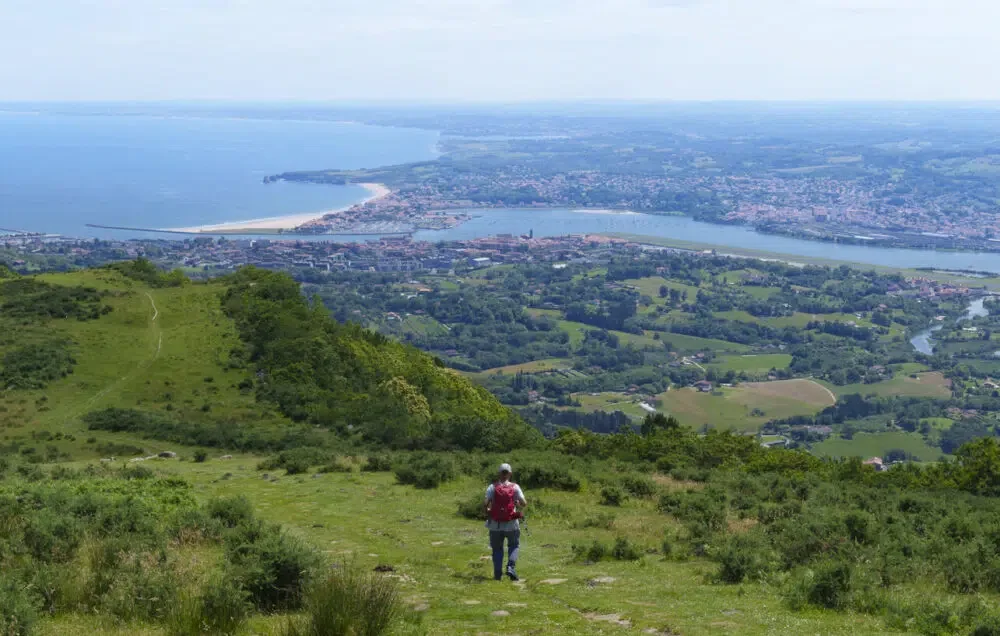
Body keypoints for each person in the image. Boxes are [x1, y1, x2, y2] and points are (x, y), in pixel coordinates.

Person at [484, 462, 527, 581]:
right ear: (510, 474)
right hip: (511, 524)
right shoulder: (515, 487)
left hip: (495, 525)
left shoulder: (492, 487)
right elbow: (524, 503)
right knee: (514, 545)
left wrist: (488, 511)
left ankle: (498, 575)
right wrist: (517, 504)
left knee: (497, 549)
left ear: (499, 473)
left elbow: (485, 504)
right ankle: (510, 567)